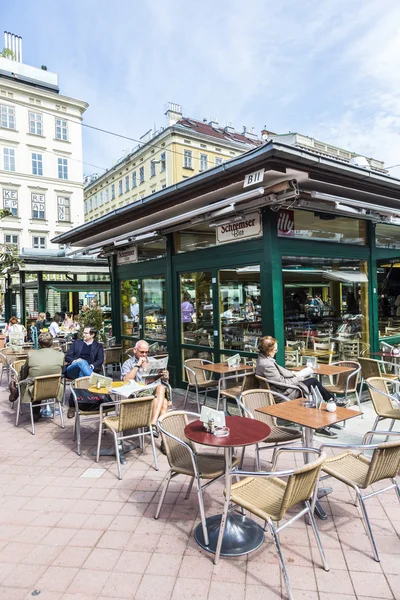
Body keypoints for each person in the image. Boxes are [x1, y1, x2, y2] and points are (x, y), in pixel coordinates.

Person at [256, 336, 339, 438]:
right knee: (312, 384)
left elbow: (279, 375)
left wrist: (293, 374)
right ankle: (329, 408)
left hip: (280, 390)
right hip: (283, 393)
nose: (276, 351)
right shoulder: (267, 364)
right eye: (275, 349)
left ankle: (327, 411)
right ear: (269, 350)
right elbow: (281, 383)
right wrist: (299, 377)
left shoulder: (263, 359)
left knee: (313, 387)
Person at [121, 339, 169, 431]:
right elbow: (126, 381)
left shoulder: (153, 361)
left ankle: (153, 423)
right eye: (142, 352)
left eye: (146, 352)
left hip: (155, 390)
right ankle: (163, 440)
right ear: (135, 350)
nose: (144, 355)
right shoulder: (128, 363)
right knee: (164, 403)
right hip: (139, 392)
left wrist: (165, 377)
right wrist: (138, 365)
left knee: (161, 387)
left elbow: (163, 380)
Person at [20, 332, 65, 422]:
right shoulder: (61, 355)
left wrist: (22, 379)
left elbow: (25, 374)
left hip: (35, 390)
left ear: (39, 344)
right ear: (52, 343)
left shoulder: (32, 355)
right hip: (55, 389)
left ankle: (35, 412)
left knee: (27, 378)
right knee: (39, 379)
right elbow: (62, 370)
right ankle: (36, 412)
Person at [65, 326, 104, 418]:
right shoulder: (77, 343)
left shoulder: (98, 346)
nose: (83, 334)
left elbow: (100, 360)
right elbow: (67, 356)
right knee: (82, 362)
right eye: (84, 332)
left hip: (86, 370)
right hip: (72, 368)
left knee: (81, 375)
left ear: (92, 335)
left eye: (86, 333)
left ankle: (73, 406)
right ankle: (94, 381)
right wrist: (76, 361)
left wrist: (91, 366)